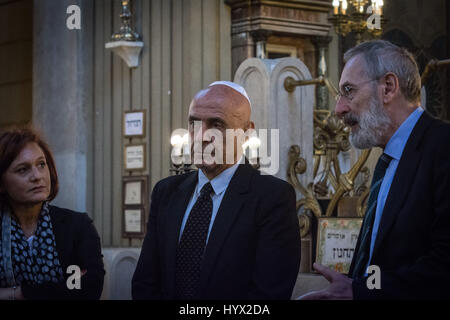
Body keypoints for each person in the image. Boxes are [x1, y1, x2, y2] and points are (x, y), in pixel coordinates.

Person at [299, 40, 450, 300]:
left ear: (388, 88)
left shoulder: (443, 147)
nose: (339, 109)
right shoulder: (389, 160)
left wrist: (360, 291)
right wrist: (350, 284)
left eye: (349, 91)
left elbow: (445, 265)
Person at [132, 81, 301, 300]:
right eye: (193, 123)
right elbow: (145, 282)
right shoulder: (166, 192)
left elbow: (268, 294)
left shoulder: (272, 198)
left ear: (246, 132)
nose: (201, 136)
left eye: (216, 124)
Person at [0, 127, 105, 300]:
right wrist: (60, 287)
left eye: (41, 164)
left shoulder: (77, 226)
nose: (37, 176)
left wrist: (17, 293)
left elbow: (87, 288)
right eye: (22, 169)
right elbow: (72, 285)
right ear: (2, 183)